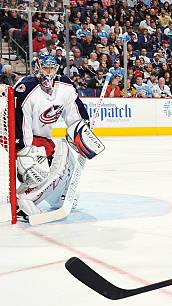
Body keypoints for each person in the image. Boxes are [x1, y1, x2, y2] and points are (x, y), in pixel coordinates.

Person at [14, 55, 104, 221]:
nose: (49, 72)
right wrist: (23, 150)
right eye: (45, 68)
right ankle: (25, 200)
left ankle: (58, 196)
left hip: (44, 139)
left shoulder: (64, 86)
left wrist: (82, 131)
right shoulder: (25, 88)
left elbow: (74, 113)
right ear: (37, 68)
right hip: (27, 139)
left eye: (52, 68)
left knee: (68, 163)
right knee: (44, 169)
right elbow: (19, 120)